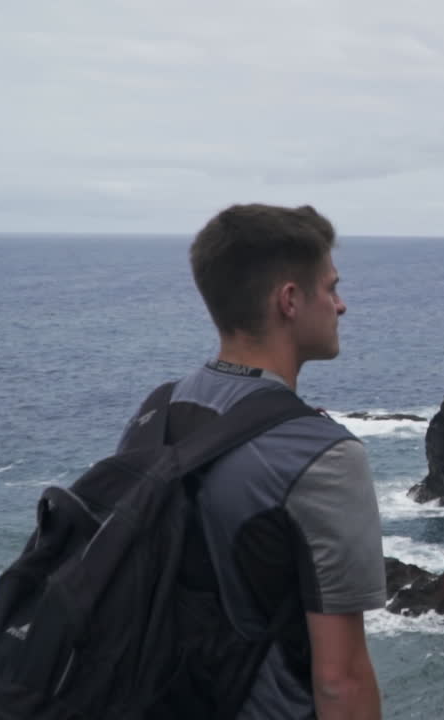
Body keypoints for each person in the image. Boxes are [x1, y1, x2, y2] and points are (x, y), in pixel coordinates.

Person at [116, 203, 385, 719]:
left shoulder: (156, 410)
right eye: (330, 288)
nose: (342, 305)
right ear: (289, 300)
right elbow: (341, 679)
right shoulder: (322, 455)